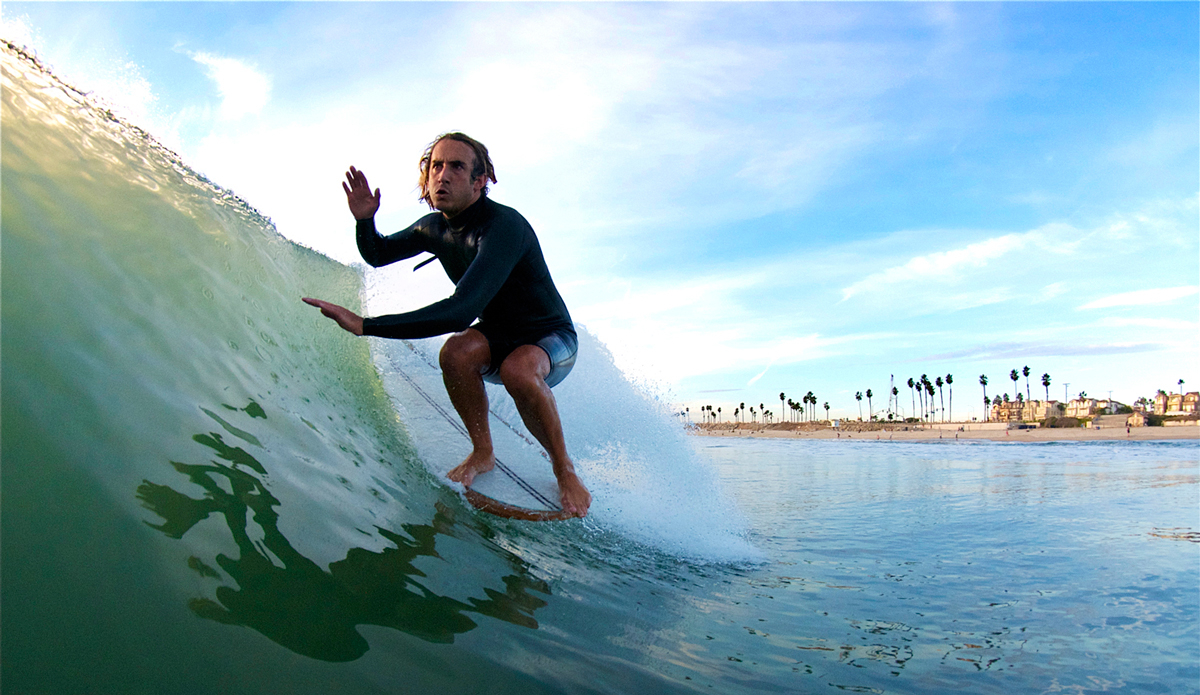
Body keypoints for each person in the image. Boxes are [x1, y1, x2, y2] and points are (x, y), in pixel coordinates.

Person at [303, 133, 591, 517]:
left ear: (479, 181)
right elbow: (377, 254)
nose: (442, 175)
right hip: (499, 332)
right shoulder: (433, 228)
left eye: (456, 166)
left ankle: (564, 469)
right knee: (455, 353)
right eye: (436, 166)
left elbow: (459, 311)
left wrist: (366, 325)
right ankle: (483, 451)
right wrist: (365, 221)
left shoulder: (503, 227)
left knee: (518, 370)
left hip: (551, 337)